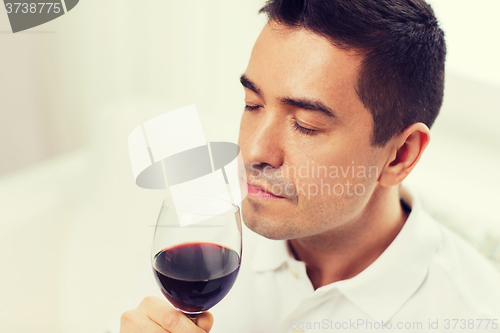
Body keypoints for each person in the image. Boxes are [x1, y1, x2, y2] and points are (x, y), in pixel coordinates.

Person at [119, 0, 500, 332]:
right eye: (252, 104)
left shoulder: (477, 316)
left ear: (400, 155)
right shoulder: (200, 244)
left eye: (306, 125)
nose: (253, 151)